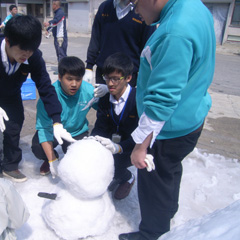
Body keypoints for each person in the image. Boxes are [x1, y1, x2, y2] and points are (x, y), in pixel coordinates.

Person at [119, 0, 216, 239]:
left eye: (136, 3)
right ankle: (168, 209)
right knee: (169, 170)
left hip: (168, 128)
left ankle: (153, 233)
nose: (136, 11)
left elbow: (162, 98)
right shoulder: (193, 6)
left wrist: (141, 147)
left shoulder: (174, 32)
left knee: (153, 180)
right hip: (191, 116)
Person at [0, 15, 73, 182]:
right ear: (8, 41)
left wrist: (56, 120)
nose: (27, 55)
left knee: (13, 129)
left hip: (11, 95)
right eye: (23, 50)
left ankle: (11, 166)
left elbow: (45, 87)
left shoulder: (33, 56)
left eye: (31, 50)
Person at [31, 56, 97, 177]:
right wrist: (52, 160)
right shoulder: (49, 96)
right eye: (69, 79)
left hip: (77, 132)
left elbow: (104, 109)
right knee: (38, 147)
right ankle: (51, 157)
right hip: (53, 132)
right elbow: (44, 128)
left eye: (78, 79)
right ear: (60, 77)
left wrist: (108, 95)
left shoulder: (89, 91)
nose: (74, 84)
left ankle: (69, 154)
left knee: (78, 161)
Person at [91, 52, 138, 200]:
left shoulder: (137, 100)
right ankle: (114, 172)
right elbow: (100, 125)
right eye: (107, 78)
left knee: (113, 165)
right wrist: (92, 141)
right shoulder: (105, 99)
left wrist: (119, 148)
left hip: (132, 147)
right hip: (111, 144)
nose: (110, 84)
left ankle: (127, 177)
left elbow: (142, 134)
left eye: (116, 79)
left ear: (128, 78)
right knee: (97, 161)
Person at [83, 0, 155, 87]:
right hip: (104, 73)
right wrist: (89, 67)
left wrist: (145, 76)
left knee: (125, 100)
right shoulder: (105, 8)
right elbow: (95, 38)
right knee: (102, 100)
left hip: (127, 75)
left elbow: (149, 47)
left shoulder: (144, 10)